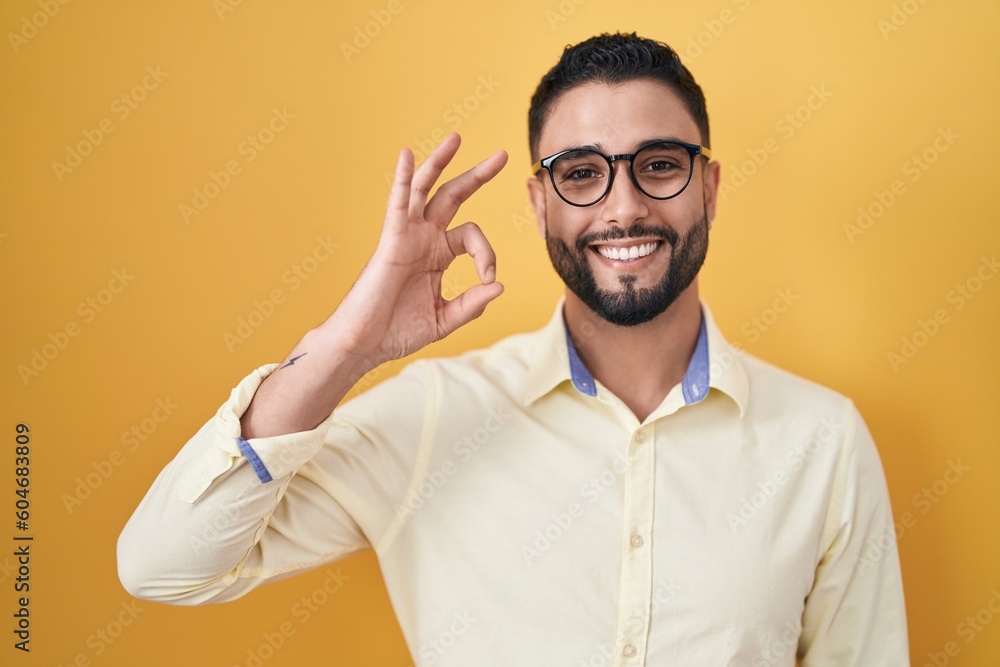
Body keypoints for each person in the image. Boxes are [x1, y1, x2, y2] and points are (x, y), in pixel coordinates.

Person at [118, 32, 909, 665]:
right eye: (581, 173)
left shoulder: (822, 439)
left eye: (660, 166)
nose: (624, 206)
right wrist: (346, 347)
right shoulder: (431, 418)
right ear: (537, 203)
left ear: (709, 186)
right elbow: (162, 565)